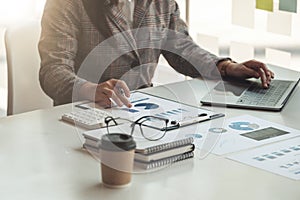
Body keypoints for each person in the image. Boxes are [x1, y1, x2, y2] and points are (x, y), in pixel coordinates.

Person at [39, 0, 274, 108]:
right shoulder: (67, 3)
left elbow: (181, 48)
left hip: (143, 111)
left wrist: (225, 67)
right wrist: (91, 90)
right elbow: (53, 70)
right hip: (83, 114)